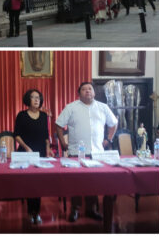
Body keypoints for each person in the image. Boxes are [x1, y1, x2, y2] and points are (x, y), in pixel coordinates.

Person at [55, 82, 118, 222]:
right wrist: (63, 143)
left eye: (90, 89)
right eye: (84, 89)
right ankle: (75, 210)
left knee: (93, 182)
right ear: (79, 93)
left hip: (96, 153)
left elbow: (113, 123)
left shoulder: (103, 107)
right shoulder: (71, 107)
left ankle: (91, 210)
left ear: (94, 92)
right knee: (76, 182)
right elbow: (59, 125)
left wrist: (108, 139)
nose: (87, 91)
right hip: (75, 152)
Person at [14, 89, 52, 224]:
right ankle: (31, 212)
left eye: (38, 97)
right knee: (30, 183)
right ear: (27, 99)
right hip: (26, 152)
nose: (36, 100)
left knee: (38, 183)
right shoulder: (22, 115)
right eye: (33, 97)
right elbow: (16, 135)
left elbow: (46, 135)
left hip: (41, 153)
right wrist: (26, 148)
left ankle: (37, 213)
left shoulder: (43, 116)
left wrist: (48, 148)